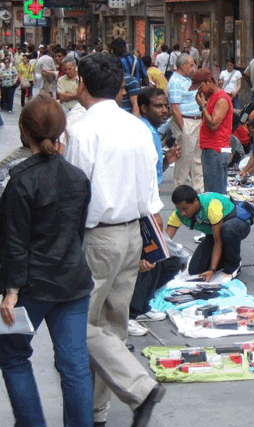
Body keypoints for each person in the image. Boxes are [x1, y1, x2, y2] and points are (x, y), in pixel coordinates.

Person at [64, 52, 166, 427]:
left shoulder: (82, 130)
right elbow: (151, 195)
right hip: (132, 234)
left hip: (98, 237)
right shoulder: (138, 128)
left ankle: (138, 387)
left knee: (79, 325)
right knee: (111, 327)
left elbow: (76, 193)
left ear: (84, 86)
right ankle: (97, 412)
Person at [0, 95, 94, 427]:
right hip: (72, 279)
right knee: (74, 364)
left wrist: (11, 290)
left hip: (33, 285)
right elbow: (77, 231)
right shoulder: (77, 177)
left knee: (12, 356)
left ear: (25, 133)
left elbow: (14, 241)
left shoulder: (21, 182)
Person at [128, 87, 182, 337]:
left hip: (151, 203)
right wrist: (150, 210)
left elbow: (153, 170)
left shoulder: (152, 132)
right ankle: (130, 312)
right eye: (158, 106)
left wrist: (168, 160)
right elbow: (142, 175)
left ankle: (142, 304)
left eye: (165, 105)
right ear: (145, 108)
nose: (164, 110)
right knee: (150, 260)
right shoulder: (142, 132)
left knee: (162, 259)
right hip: (145, 207)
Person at [167, 185, 253, 281]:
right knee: (195, 270)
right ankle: (224, 257)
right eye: (179, 209)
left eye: (185, 209)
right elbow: (164, 241)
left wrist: (212, 270)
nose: (182, 213)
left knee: (227, 230)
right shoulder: (177, 215)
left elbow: (218, 241)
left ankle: (234, 265)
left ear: (195, 201)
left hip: (238, 225)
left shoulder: (211, 206)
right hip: (215, 232)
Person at [191, 68, 233, 195]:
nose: (199, 90)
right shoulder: (213, 97)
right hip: (211, 149)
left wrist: (202, 106)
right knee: (212, 191)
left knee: (216, 194)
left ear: (209, 81)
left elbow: (214, 124)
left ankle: (219, 214)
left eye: (200, 86)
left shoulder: (221, 99)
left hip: (216, 149)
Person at [168, 52, 204, 192]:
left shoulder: (187, 79)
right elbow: (175, 107)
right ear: (183, 66)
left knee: (196, 158)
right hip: (186, 120)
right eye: (190, 65)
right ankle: (179, 188)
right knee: (184, 159)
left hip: (196, 120)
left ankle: (199, 190)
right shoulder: (176, 82)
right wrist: (183, 128)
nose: (193, 68)